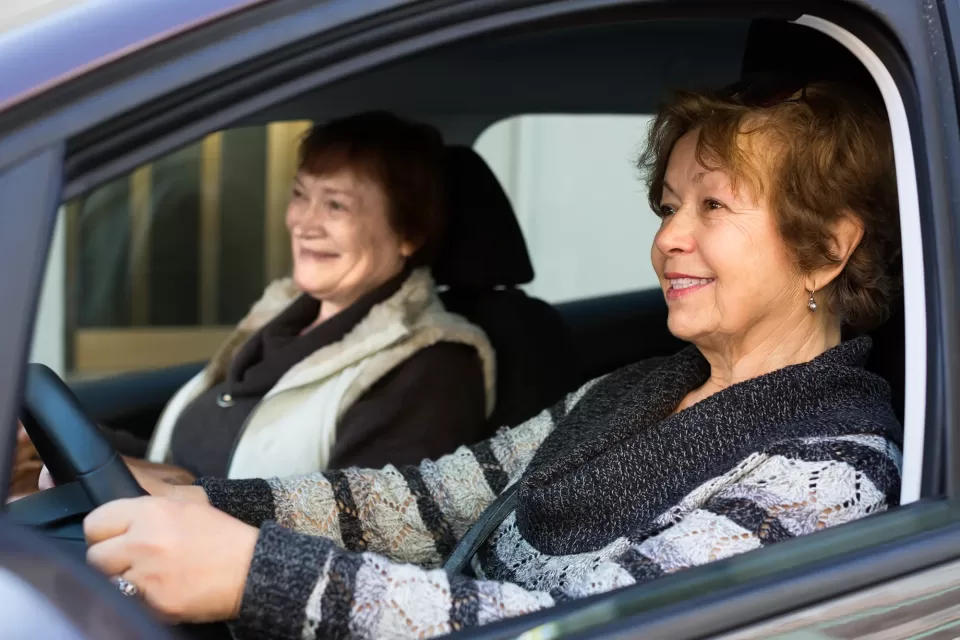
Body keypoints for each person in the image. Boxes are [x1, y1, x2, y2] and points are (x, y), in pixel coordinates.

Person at [79, 79, 903, 639]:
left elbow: (591, 623)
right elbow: (430, 502)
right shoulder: (637, 386)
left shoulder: (830, 467)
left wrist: (263, 577)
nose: (666, 240)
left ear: (826, 250)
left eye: (713, 205)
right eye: (669, 205)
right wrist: (210, 501)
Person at [15, 111, 496, 493]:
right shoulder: (282, 317)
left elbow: (358, 532)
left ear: (408, 232)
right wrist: (53, 442)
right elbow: (195, 457)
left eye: (336, 205)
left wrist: (178, 491)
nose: (304, 223)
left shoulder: (433, 367)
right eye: (300, 195)